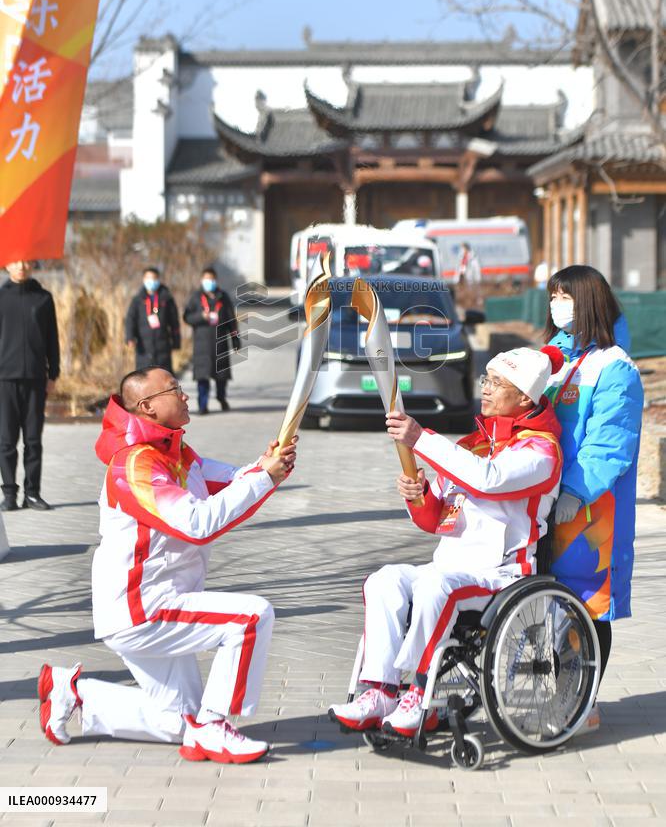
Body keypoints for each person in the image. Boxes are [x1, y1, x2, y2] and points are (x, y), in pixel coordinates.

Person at [38, 365, 297, 763]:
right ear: (147, 406)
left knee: (180, 721)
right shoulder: (135, 466)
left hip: (158, 603)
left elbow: (232, 480)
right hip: (143, 608)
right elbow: (197, 525)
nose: (185, 395)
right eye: (175, 389)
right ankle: (214, 728)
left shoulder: (177, 454)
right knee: (251, 618)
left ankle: (72, 693)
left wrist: (266, 466)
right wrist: (264, 478)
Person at [328, 346, 564, 737]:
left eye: (497, 383)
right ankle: (381, 691)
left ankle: (419, 693)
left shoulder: (541, 450)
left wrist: (420, 437)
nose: (485, 389)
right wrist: (418, 494)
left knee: (437, 586)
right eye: (486, 380)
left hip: (500, 576)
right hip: (449, 568)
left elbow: (487, 479)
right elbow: (435, 518)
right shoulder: (472, 445)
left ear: (524, 397)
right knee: (384, 580)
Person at [544, 265, 643, 727]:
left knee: (586, 608)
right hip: (546, 504)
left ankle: (582, 703)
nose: (556, 306)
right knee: (549, 604)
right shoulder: (555, 359)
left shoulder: (614, 366)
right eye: (552, 297)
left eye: (565, 298)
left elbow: (609, 443)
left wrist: (575, 491)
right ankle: (561, 694)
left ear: (589, 303)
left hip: (590, 513)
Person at [0, 260, 59, 511]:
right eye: (16, 261)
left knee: (33, 440)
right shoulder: (1, 297)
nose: (21, 266)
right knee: (6, 441)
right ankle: (9, 494)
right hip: (4, 379)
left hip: (35, 378)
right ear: (7, 265)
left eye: (26, 261)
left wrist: (53, 373)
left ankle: (32, 494)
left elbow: (52, 338)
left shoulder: (43, 298)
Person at [183, 268, 240, 414]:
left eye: (211, 279)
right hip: (202, 345)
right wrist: (201, 316)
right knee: (203, 377)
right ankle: (202, 405)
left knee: (222, 377)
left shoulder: (223, 297)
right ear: (202, 280)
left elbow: (231, 321)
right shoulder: (196, 297)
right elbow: (187, 317)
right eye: (206, 279)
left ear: (216, 280)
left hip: (220, 343)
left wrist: (235, 340)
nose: (209, 282)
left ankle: (221, 397)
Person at [125, 267, 180, 372]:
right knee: (144, 376)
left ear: (158, 279)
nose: (151, 281)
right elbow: (130, 319)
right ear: (143, 279)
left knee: (163, 375)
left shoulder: (167, 299)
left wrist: (176, 341)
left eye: (154, 278)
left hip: (163, 345)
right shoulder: (137, 300)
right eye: (148, 278)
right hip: (143, 347)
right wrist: (130, 337)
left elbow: (174, 322)